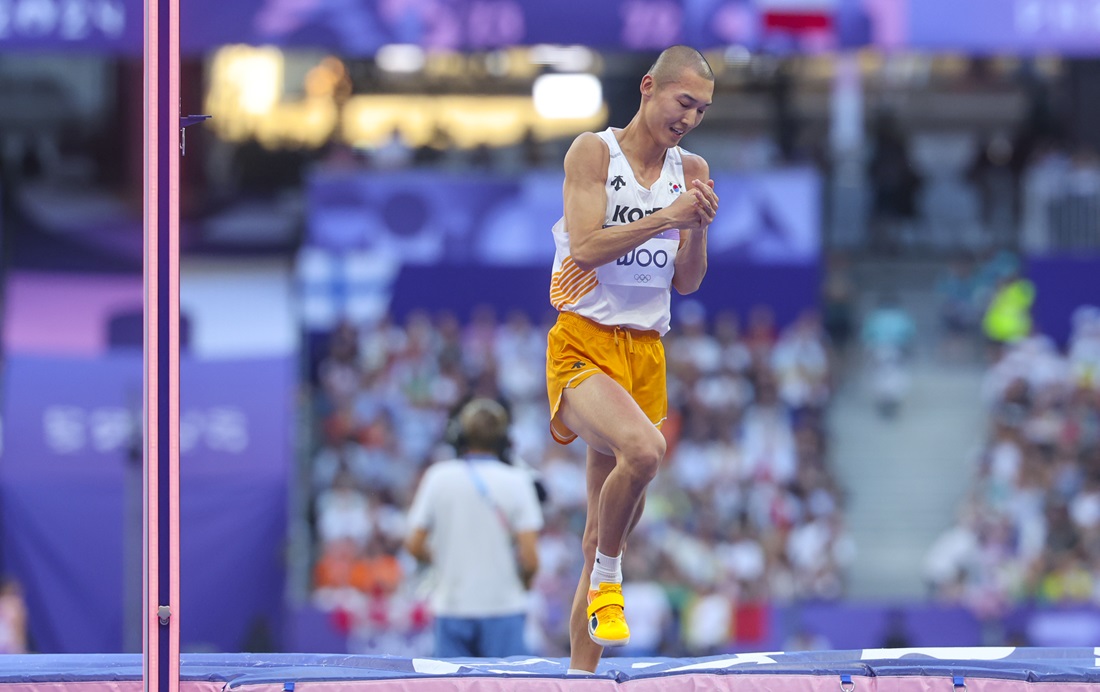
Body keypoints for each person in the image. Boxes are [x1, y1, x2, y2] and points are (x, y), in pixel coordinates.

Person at [543, 45, 720, 673]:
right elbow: (587, 247)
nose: (690, 119)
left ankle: (578, 678)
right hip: (585, 341)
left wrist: (695, 226)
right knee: (645, 452)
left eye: (701, 110)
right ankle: (613, 581)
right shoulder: (594, 152)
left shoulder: (691, 167)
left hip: (646, 353)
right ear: (649, 87)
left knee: (597, 534)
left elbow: (689, 282)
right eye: (683, 103)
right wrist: (665, 215)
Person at [405, 398, 543, 658]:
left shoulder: (438, 477)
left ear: (459, 435)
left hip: (451, 606)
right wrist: (522, 582)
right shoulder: (518, 481)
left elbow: (413, 544)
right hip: (503, 607)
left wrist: (443, 560)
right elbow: (530, 558)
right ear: (504, 439)